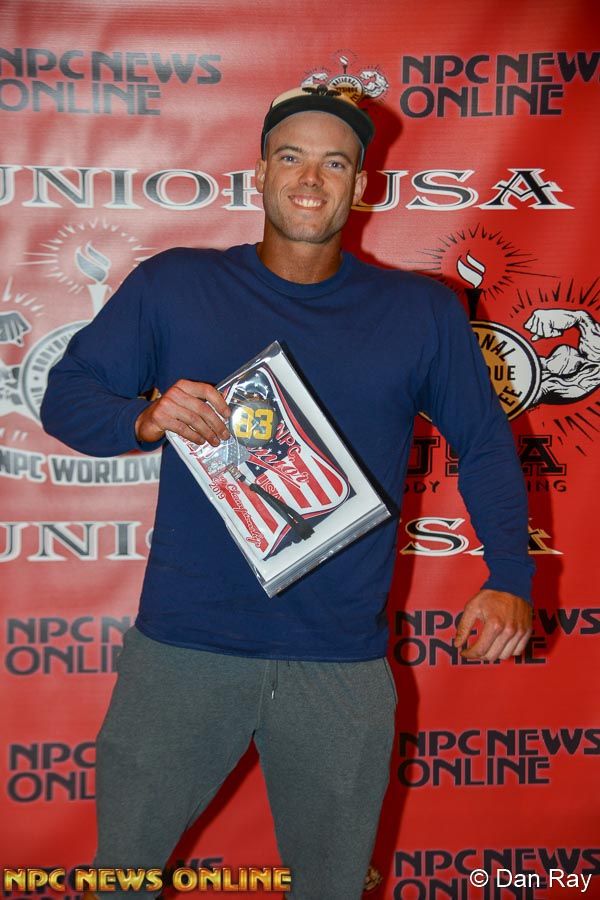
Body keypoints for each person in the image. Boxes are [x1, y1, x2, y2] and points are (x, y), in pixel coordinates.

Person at [41, 85, 534, 900]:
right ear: (260, 173)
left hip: (338, 662)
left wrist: (510, 573)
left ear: (362, 185)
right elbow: (65, 397)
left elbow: (483, 441)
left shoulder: (420, 312)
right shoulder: (176, 286)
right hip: (184, 650)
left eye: (335, 163)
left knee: (332, 887)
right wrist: (143, 417)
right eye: (292, 157)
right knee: (120, 881)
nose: (311, 178)